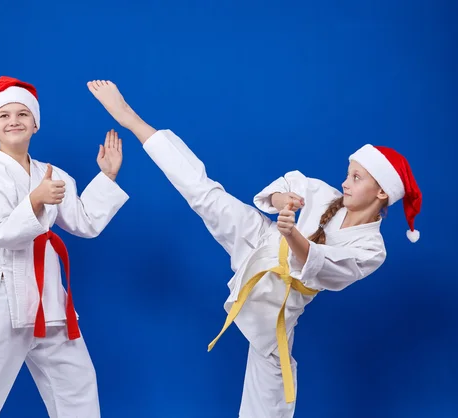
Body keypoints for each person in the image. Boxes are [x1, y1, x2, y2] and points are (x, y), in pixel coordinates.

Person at [86, 79, 422, 418]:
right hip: (261, 240)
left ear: (382, 194)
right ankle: (131, 119)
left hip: (282, 299)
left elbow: (324, 268)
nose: (345, 183)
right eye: (348, 174)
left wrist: (293, 235)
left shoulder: (372, 248)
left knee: (270, 394)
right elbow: (279, 192)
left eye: (356, 178)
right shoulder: (323, 193)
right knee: (205, 195)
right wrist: (281, 200)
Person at [0, 76, 129, 418]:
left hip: (50, 301)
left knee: (77, 384)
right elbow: (6, 235)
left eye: (23, 114)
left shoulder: (50, 173)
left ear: (35, 124)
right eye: (4, 115)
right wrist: (36, 201)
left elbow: (84, 223)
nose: (14, 121)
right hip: (2, 300)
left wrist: (107, 177)